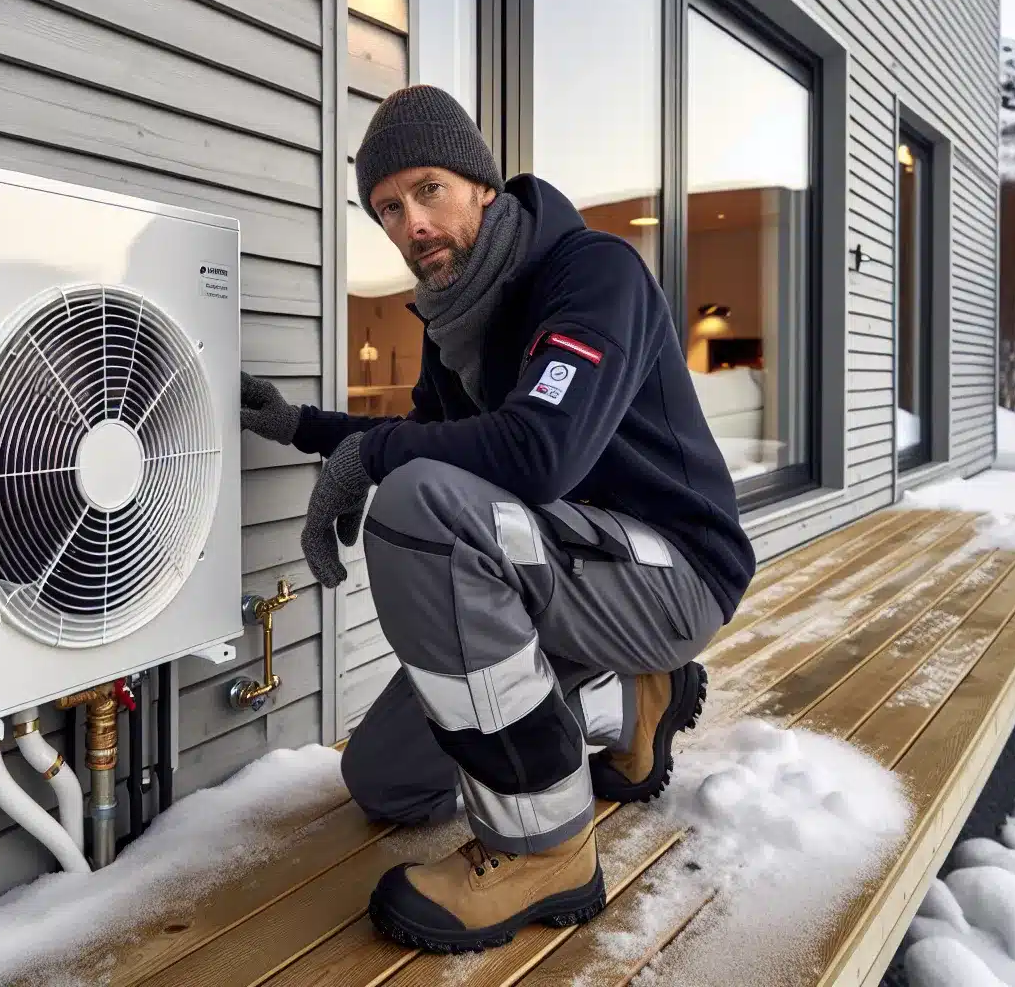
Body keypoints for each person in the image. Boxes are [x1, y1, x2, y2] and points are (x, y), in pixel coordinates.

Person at [237, 85, 755, 953]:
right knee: (385, 784)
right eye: (388, 209)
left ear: (481, 183)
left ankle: (543, 847)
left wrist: (371, 464)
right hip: (565, 571)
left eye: (428, 190)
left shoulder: (594, 273)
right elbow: (426, 435)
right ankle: (630, 694)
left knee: (421, 503)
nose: (412, 225)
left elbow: (538, 453)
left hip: (677, 571)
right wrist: (306, 428)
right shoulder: (454, 328)